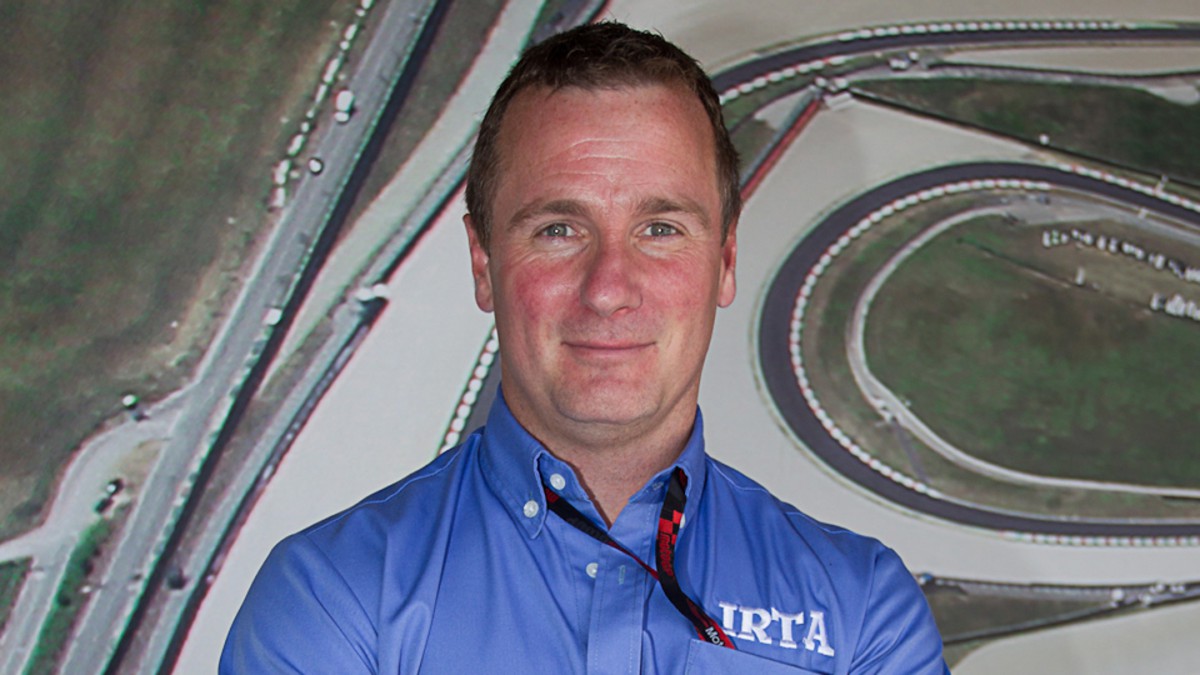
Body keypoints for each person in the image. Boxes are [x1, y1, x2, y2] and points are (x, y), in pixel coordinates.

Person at [221, 22, 948, 673]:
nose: (608, 289)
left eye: (660, 229)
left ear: (725, 260)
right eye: (558, 230)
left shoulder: (860, 610)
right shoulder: (331, 597)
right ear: (483, 263)